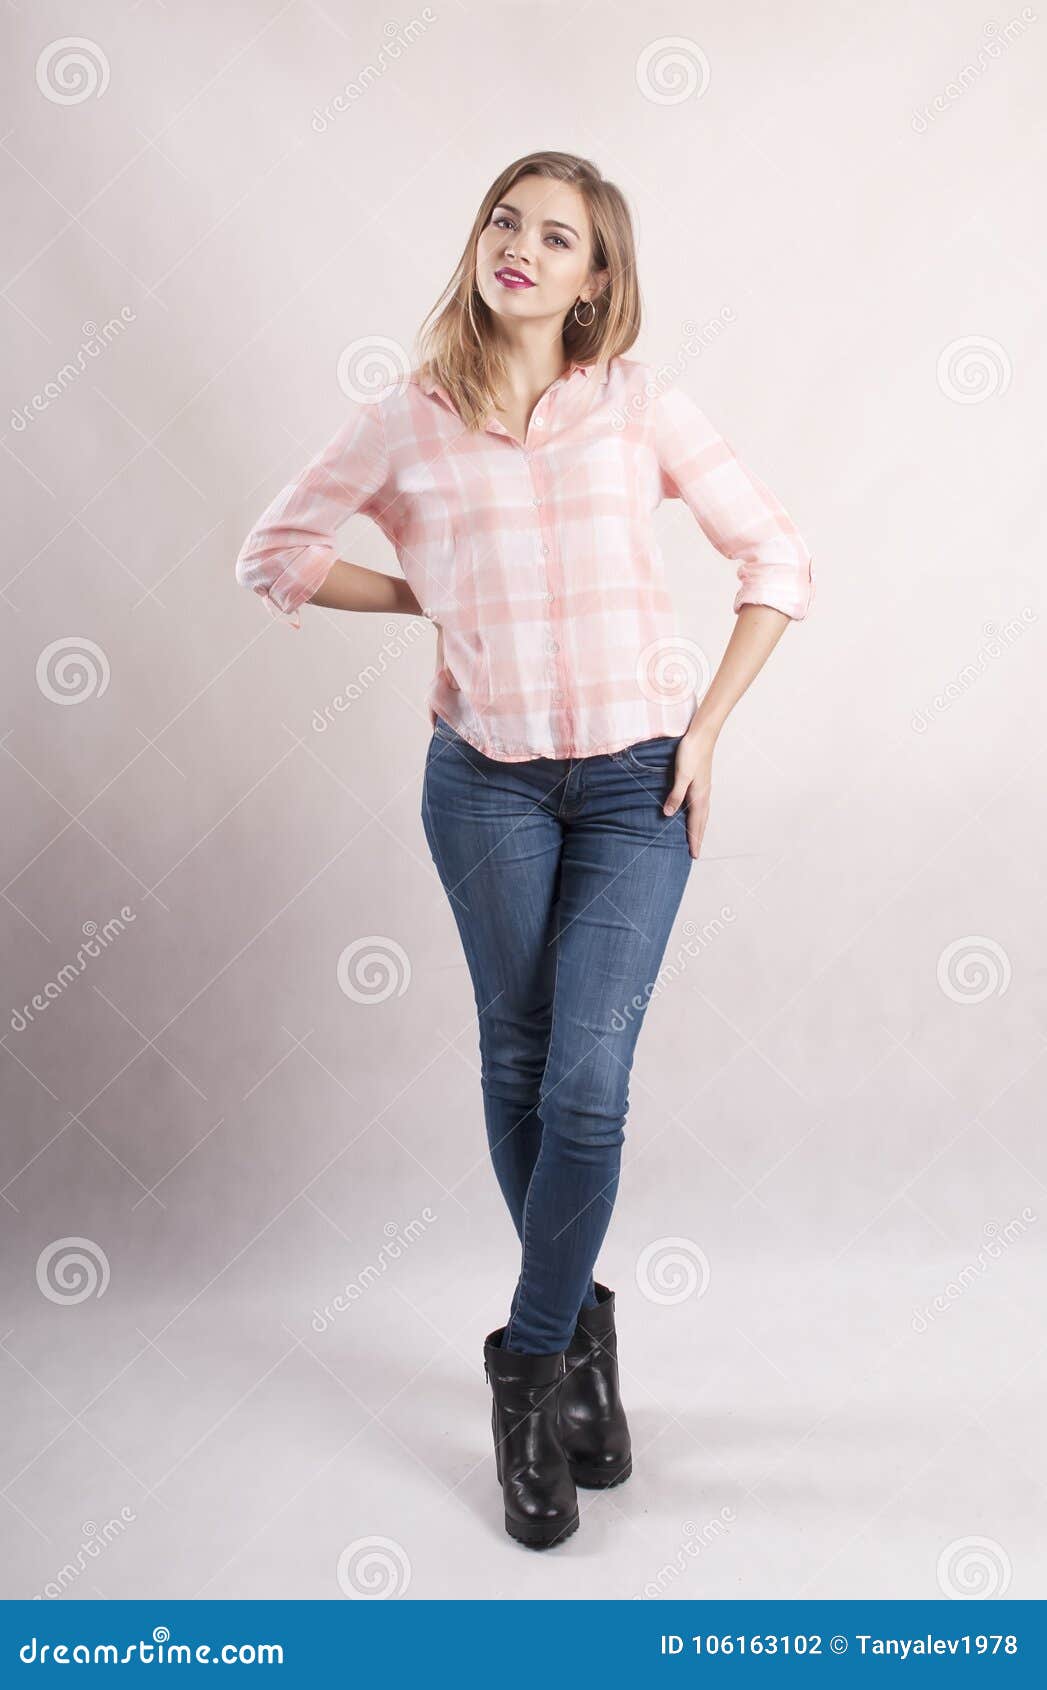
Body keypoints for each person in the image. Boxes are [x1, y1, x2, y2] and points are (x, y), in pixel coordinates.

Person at [234, 150, 815, 1551]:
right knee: (518, 1055)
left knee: (589, 1083)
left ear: (594, 277)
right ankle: (586, 1332)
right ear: (480, 242)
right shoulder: (411, 416)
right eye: (506, 220)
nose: (522, 248)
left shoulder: (639, 408)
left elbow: (778, 558)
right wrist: (433, 596)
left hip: (633, 786)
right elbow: (276, 553)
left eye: (557, 237)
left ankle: (526, 1355)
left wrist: (710, 728)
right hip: (483, 785)